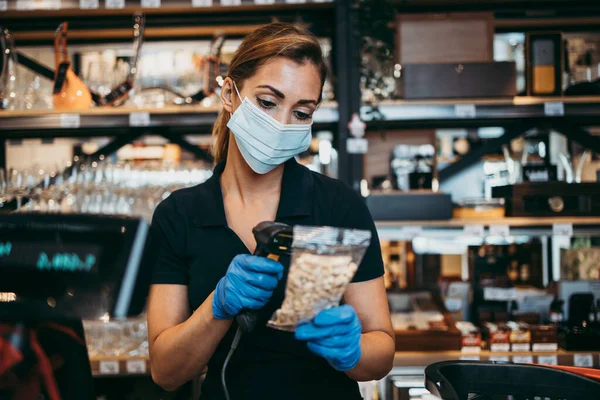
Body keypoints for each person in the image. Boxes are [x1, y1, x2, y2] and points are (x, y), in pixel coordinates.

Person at [147, 22, 395, 400]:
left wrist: (355, 351)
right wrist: (217, 306)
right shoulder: (179, 215)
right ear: (230, 93)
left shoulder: (337, 205)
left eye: (301, 112)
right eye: (267, 102)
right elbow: (166, 372)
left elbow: (382, 352)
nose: (281, 124)